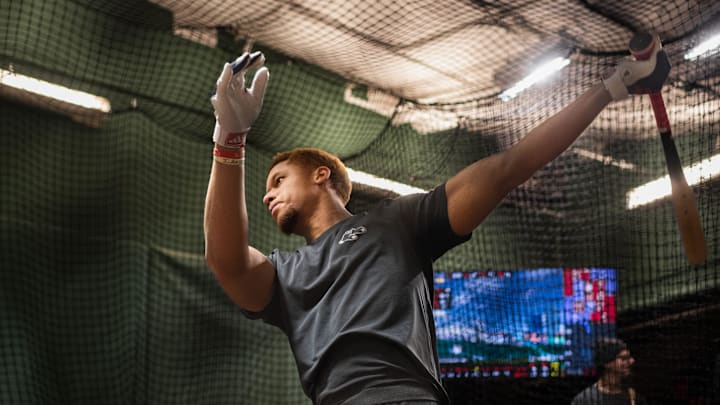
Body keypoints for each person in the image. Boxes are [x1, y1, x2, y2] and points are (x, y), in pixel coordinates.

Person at [204, 37, 669, 404]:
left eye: (280, 178)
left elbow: (508, 168)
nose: (268, 193)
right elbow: (226, 258)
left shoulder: (396, 223)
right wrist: (229, 141)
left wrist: (616, 84)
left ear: (321, 175)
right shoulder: (285, 274)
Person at [571, 338, 646, 405]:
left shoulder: (634, 398)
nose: (632, 361)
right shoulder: (584, 400)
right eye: (624, 358)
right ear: (607, 363)